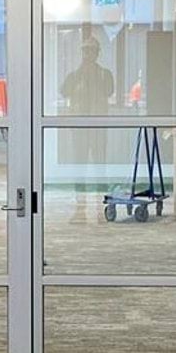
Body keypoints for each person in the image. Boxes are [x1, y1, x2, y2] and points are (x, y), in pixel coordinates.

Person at [58, 31, 115, 222]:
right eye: (85, 51)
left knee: (100, 167)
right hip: (80, 128)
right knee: (79, 167)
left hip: (98, 128)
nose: (88, 55)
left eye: (92, 51)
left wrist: (94, 76)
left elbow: (109, 90)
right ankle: (80, 208)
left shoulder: (104, 74)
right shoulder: (74, 75)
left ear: (97, 53)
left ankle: (101, 207)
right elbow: (63, 92)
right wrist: (79, 75)